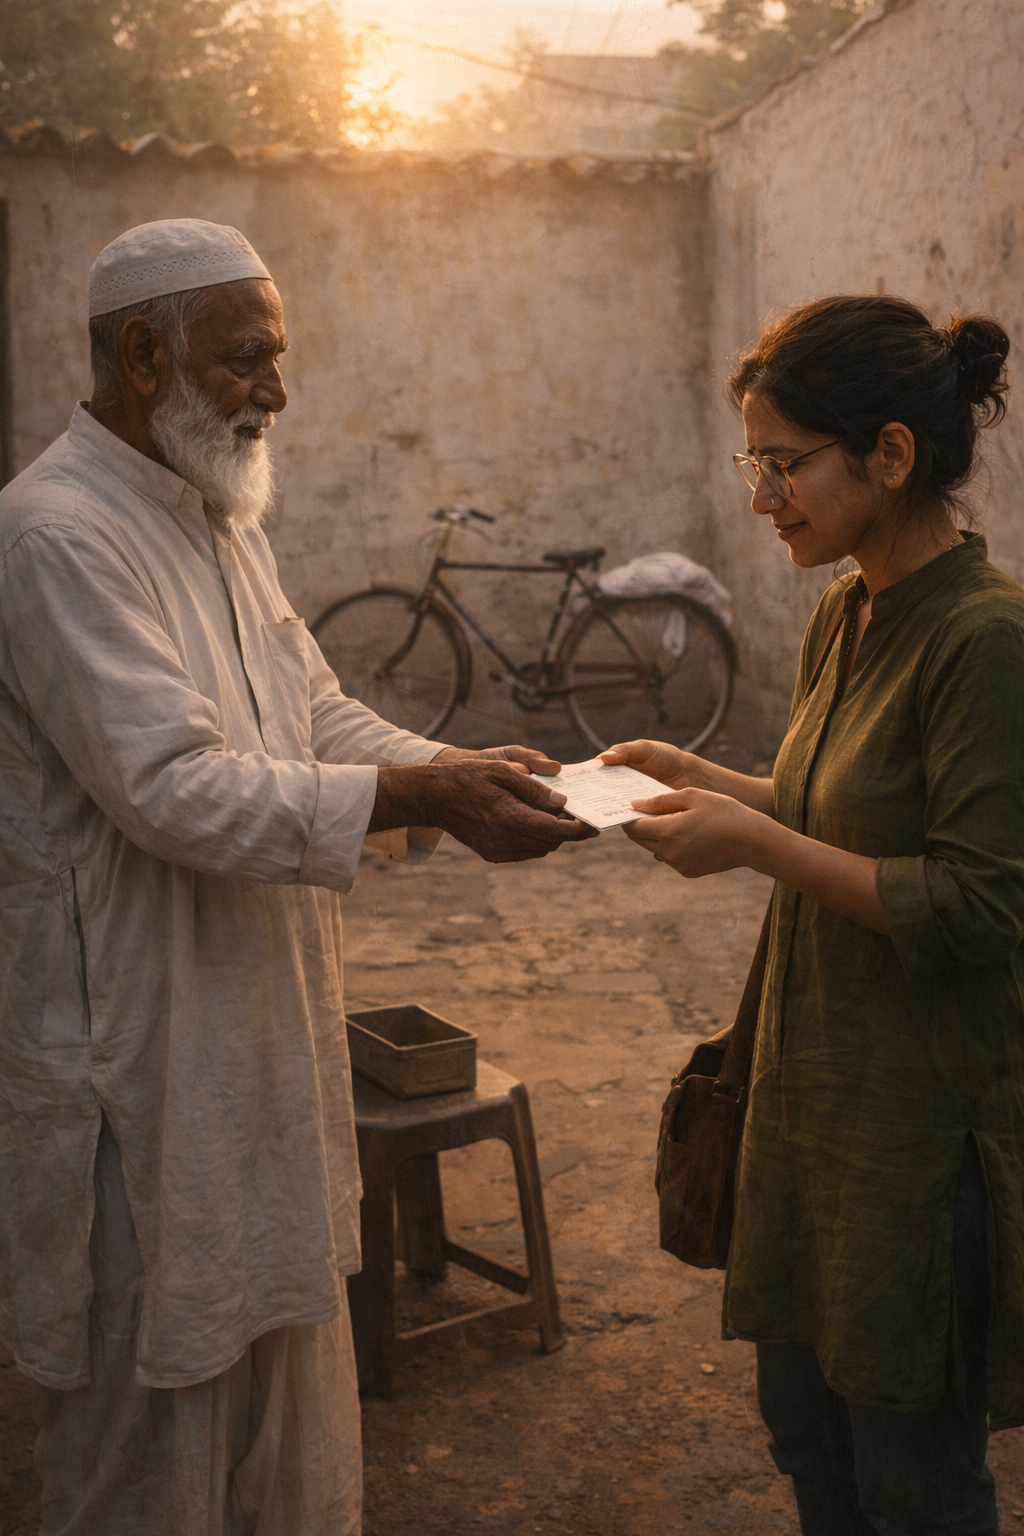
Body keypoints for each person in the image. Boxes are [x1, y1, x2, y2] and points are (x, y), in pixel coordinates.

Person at [0, 218, 596, 1536]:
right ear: (145, 357)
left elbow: (314, 717)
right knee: (146, 1462)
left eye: (279, 358)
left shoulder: (216, 515)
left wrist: (459, 767)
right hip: (133, 1076)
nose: (278, 392)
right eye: (248, 360)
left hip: (253, 1048)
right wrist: (411, 794)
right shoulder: (55, 535)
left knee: (288, 1443)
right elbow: (171, 787)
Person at [605, 296, 1019, 1533]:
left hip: (916, 1143)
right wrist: (708, 782)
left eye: (783, 465)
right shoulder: (846, 607)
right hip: (813, 1115)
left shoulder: (986, 642)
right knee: (810, 1443)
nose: (760, 496)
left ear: (891, 455)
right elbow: (834, 806)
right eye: (754, 463)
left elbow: (978, 901)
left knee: (913, 1481)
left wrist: (757, 846)